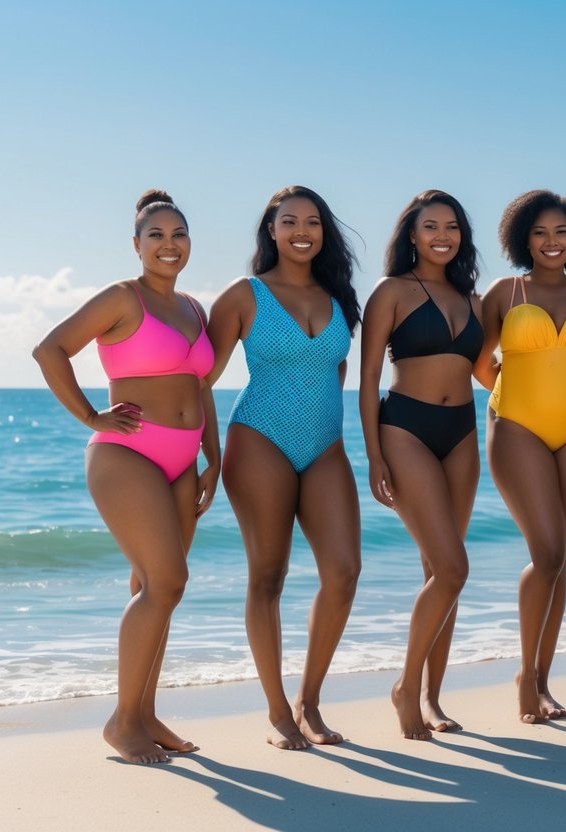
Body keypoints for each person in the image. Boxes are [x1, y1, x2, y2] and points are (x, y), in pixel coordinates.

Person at [33, 190, 216, 764]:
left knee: (156, 589)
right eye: (156, 235)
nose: (169, 244)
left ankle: (144, 714)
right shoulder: (122, 297)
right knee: (167, 581)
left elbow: (199, 389)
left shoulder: (194, 307)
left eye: (179, 233)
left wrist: (213, 453)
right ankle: (121, 721)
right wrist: (90, 415)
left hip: (184, 462)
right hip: (127, 455)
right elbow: (49, 350)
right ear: (137, 245)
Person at [206, 185, 362, 749]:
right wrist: (209, 454)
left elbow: (337, 373)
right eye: (290, 220)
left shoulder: (340, 296)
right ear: (271, 230)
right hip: (259, 441)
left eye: (313, 221)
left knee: (343, 572)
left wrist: (335, 433)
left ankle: (309, 701)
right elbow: (204, 378)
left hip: (325, 447)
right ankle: (276, 711)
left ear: (324, 231)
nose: (303, 230)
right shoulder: (245, 295)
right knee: (268, 576)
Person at [473, 189, 566, 723]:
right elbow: (482, 363)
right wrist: (508, 400)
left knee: (560, 560)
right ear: (521, 238)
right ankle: (524, 680)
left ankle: (543, 681)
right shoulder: (503, 293)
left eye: (561, 233)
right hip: (517, 427)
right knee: (548, 553)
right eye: (539, 232)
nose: (551, 242)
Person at [359, 190, 482, 740]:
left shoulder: (472, 298)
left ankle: (433, 697)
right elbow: (364, 381)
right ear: (411, 233)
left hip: (463, 435)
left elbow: (494, 370)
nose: (442, 235)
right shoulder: (391, 292)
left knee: (442, 573)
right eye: (430, 225)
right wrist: (373, 453)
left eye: (451, 226)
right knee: (453, 567)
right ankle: (406, 687)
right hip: (405, 428)